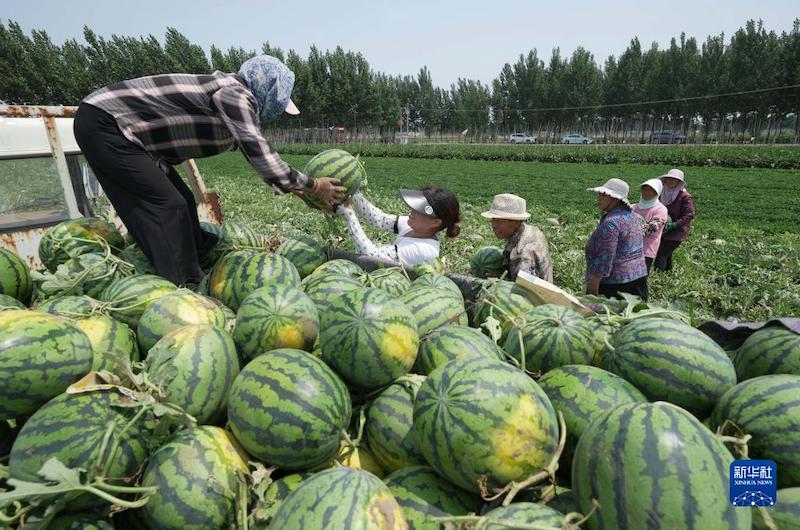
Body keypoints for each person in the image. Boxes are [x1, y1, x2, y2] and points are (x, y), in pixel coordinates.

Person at [73, 55, 345, 286]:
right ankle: (181, 287)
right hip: (107, 124)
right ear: (270, 91)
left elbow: (254, 157)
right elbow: (265, 159)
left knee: (184, 201)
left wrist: (300, 192)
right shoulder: (236, 94)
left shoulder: (234, 98)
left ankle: (198, 261)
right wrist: (315, 186)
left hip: (122, 131)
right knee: (168, 206)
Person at [335, 188, 461, 268]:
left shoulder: (423, 250)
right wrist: (354, 193)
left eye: (418, 211)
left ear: (435, 222)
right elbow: (379, 219)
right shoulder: (412, 225)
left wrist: (349, 216)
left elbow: (371, 257)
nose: (411, 212)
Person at [585, 178, 648, 301]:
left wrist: (592, 292)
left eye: (603, 196)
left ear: (614, 198)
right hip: (638, 279)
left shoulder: (611, 224)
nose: (598, 199)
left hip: (616, 288)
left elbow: (604, 261)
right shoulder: (632, 216)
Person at [481, 193, 553, 283]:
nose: (493, 225)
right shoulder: (531, 230)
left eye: (498, 221)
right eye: (493, 220)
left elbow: (522, 290)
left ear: (515, 222)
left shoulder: (521, 254)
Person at [654, 168, 696, 272]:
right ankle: (668, 273)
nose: (670, 182)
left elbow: (690, 214)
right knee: (666, 253)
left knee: (661, 255)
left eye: (674, 180)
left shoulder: (685, 197)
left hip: (677, 231)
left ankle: (659, 277)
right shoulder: (662, 193)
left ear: (679, 182)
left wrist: (675, 224)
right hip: (664, 228)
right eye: (668, 179)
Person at [631, 178, 669, 271]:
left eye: (651, 190)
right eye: (645, 189)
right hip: (629, 249)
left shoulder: (660, 209)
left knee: (639, 280)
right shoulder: (633, 207)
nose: (646, 192)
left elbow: (651, 228)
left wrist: (627, 231)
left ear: (657, 193)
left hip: (646, 251)